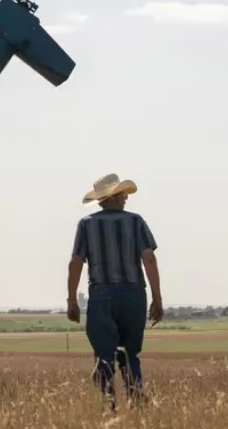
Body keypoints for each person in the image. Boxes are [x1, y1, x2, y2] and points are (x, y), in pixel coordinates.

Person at [66, 173, 164, 407]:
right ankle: (137, 404)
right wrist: (157, 298)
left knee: (104, 358)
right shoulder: (136, 221)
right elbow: (149, 259)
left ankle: (109, 408)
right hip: (134, 295)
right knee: (131, 356)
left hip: (101, 296)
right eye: (124, 195)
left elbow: (75, 262)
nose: (126, 200)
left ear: (100, 200)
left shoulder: (86, 224)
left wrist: (71, 300)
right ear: (117, 197)